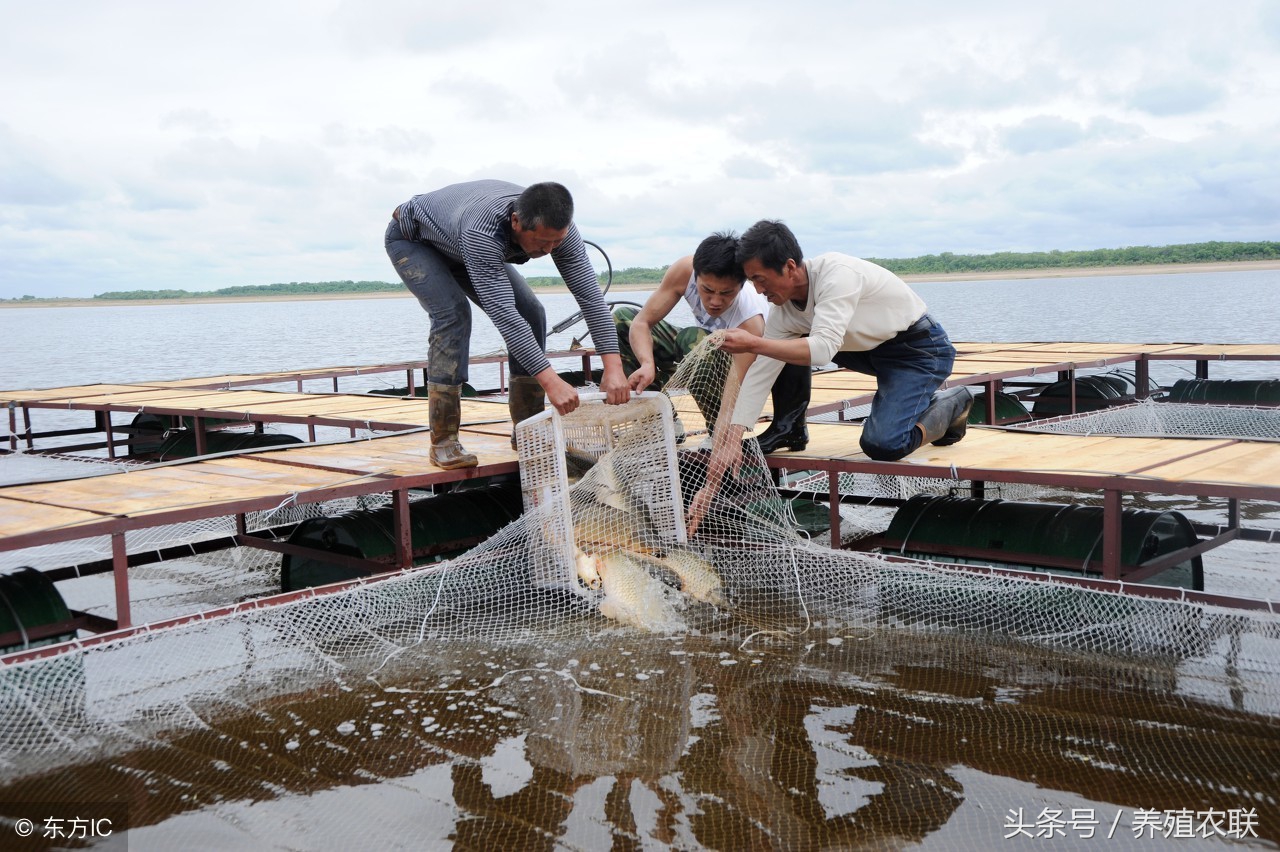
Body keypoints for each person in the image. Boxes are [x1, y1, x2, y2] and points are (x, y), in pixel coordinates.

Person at [687, 220, 974, 534]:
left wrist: (754, 343)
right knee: (784, 347)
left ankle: (953, 400)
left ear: (789, 267)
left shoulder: (837, 274)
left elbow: (823, 350)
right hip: (871, 352)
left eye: (760, 279)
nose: (757, 290)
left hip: (919, 351)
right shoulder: (784, 310)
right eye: (752, 281)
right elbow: (760, 374)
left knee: (883, 445)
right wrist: (730, 442)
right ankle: (795, 426)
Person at [385, 180, 629, 470]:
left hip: (460, 241)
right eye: (542, 242)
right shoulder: (483, 231)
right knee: (453, 314)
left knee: (532, 312)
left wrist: (614, 367)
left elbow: (590, 297)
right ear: (516, 222)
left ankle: (528, 431)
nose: (550, 249)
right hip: (415, 240)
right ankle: (443, 442)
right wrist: (551, 382)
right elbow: (506, 318)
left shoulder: (561, 232)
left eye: (556, 242)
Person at [614, 232, 813, 451]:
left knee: (695, 340)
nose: (715, 301)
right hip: (698, 357)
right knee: (623, 318)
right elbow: (641, 323)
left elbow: (739, 384)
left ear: (742, 284)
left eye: (726, 293)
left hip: (738, 373)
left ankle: (715, 429)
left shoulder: (751, 319)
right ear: (696, 276)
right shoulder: (684, 271)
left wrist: (725, 435)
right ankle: (657, 421)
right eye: (707, 290)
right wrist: (647, 363)